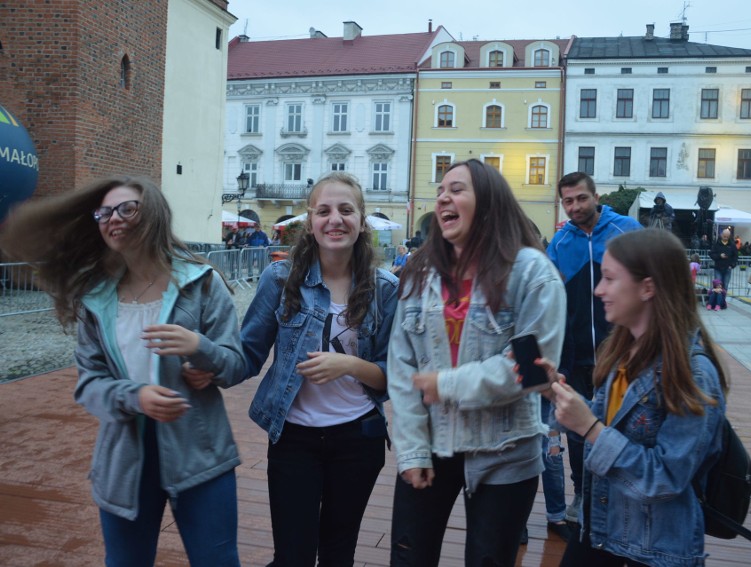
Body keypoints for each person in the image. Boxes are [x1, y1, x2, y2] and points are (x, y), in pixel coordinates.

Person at [0, 175, 245, 566]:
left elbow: (236, 365)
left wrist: (201, 350)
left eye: (127, 208)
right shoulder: (95, 297)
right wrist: (137, 397)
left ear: (155, 215)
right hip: (124, 460)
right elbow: (89, 385)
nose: (113, 218)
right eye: (104, 212)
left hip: (200, 453)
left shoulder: (201, 282)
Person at [387, 159, 566, 566]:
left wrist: (445, 384)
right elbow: (402, 367)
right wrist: (412, 451)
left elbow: (532, 368)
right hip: (432, 443)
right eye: (440, 191)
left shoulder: (532, 274)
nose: (443, 197)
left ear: (488, 201)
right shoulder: (420, 272)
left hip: (504, 452)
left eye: (457, 189)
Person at [238, 172, 398, 567]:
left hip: (358, 438)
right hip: (294, 438)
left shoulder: (385, 287)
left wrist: (349, 364)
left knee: (337, 555)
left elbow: (392, 377)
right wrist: (199, 355)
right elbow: (246, 354)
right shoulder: (280, 278)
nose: (335, 219)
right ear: (310, 222)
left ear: (361, 220)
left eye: (346, 210)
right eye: (323, 211)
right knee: (292, 556)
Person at [549, 229, 728, 567]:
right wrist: (556, 394)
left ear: (648, 287)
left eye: (609, 278)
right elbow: (604, 427)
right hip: (599, 534)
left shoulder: (694, 373)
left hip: (650, 553)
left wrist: (589, 427)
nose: (598, 289)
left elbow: (666, 478)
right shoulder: (623, 351)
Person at [546, 171, 642, 523]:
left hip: (624, 351)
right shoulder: (558, 244)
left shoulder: (626, 229)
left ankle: (623, 492)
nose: (575, 207)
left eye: (581, 198)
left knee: (624, 424)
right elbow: (549, 301)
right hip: (577, 354)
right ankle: (583, 493)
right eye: (568, 201)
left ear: (595, 196)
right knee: (576, 428)